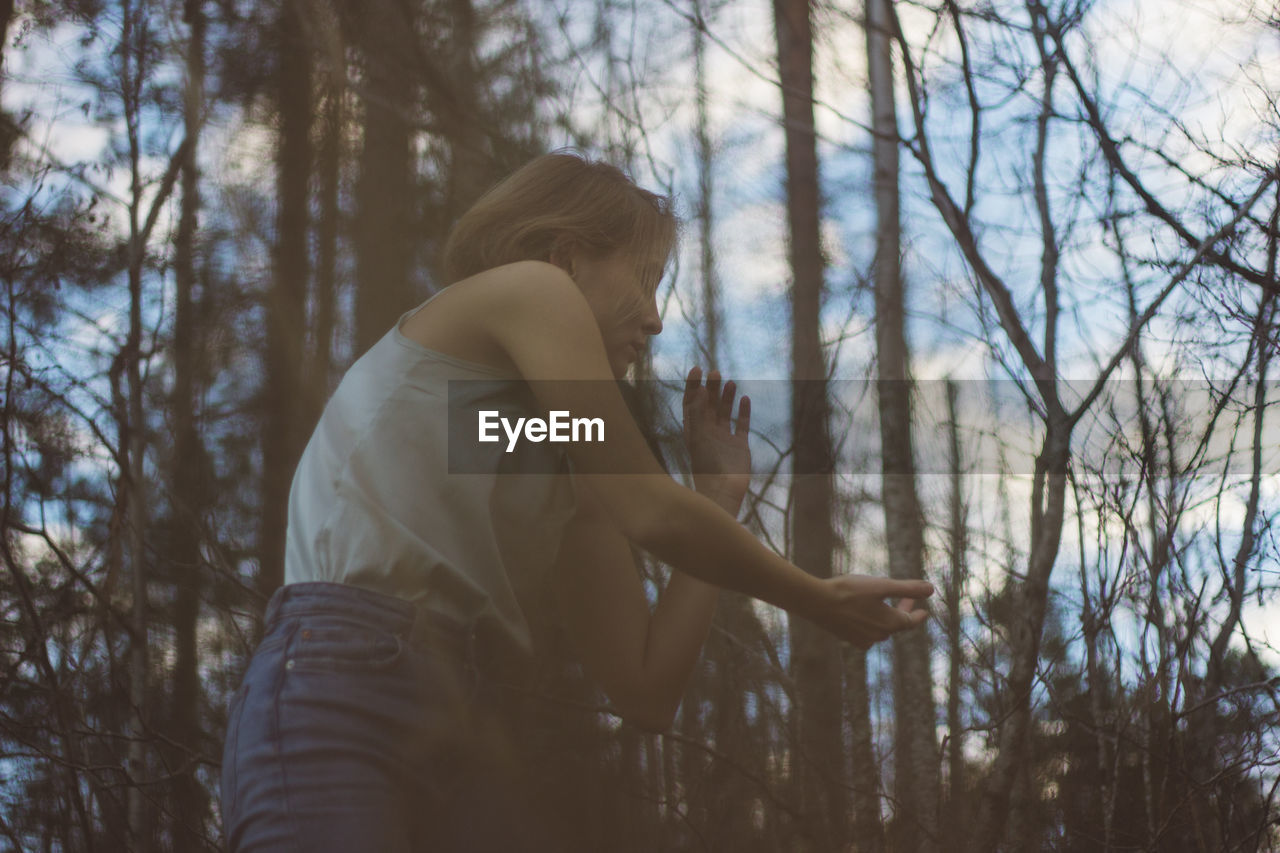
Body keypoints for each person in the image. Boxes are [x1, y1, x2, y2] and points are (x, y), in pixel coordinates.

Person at [219, 152, 933, 852]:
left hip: (465, 718)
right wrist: (817, 596)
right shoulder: (532, 286)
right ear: (567, 256)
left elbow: (645, 689)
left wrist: (718, 497)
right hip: (340, 681)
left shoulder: (557, 453)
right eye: (645, 279)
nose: (655, 320)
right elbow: (649, 512)